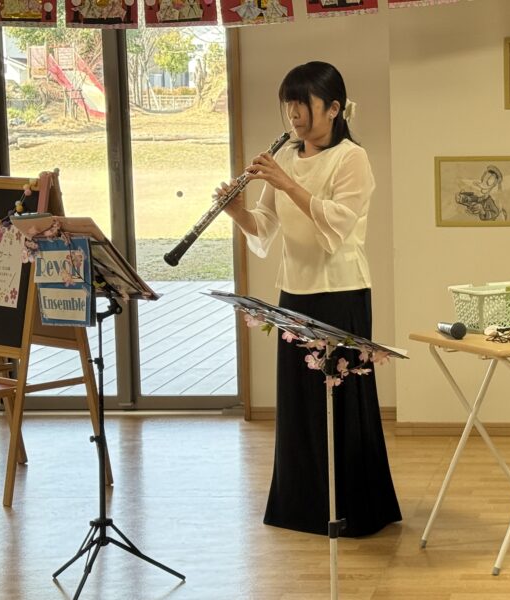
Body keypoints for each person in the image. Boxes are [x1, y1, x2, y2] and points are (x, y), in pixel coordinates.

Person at [222, 61, 401, 537]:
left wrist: (286, 182)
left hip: (341, 291)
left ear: (334, 108)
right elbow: (264, 229)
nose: (294, 115)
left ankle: (356, 511)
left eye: (303, 104)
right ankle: (300, 507)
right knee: (299, 403)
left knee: (342, 402)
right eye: (289, 105)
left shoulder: (351, 158)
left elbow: (337, 225)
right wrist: (237, 210)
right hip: (294, 293)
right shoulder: (285, 155)